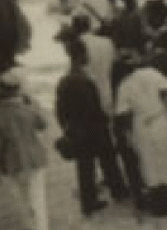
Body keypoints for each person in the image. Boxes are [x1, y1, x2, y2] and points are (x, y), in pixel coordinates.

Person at [55, 27, 129, 215]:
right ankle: (118, 190)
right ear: (81, 56)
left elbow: (60, 110)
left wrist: (66, 127)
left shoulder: (64, 81)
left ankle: (89, 201)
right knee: (108, 159)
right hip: (95, 128)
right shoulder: (86, 80)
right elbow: (94, 107)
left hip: (77, 130)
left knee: (85, 167)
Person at [115, 50, 167, 208]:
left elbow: (123, 113)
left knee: (149, 159)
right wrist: (162, 106)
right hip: (159, 119)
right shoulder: (151, 73)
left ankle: (159, 194)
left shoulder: (124, 85)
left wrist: (128, 133)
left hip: (141, 123)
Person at [0, 71, 53, 230]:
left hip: (11, 161)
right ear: (18, 91)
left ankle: (29, 227)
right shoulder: (28, 109)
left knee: (19, 196)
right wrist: (33, 103)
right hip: (34, 157)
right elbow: (43, 124)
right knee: (38, 196)